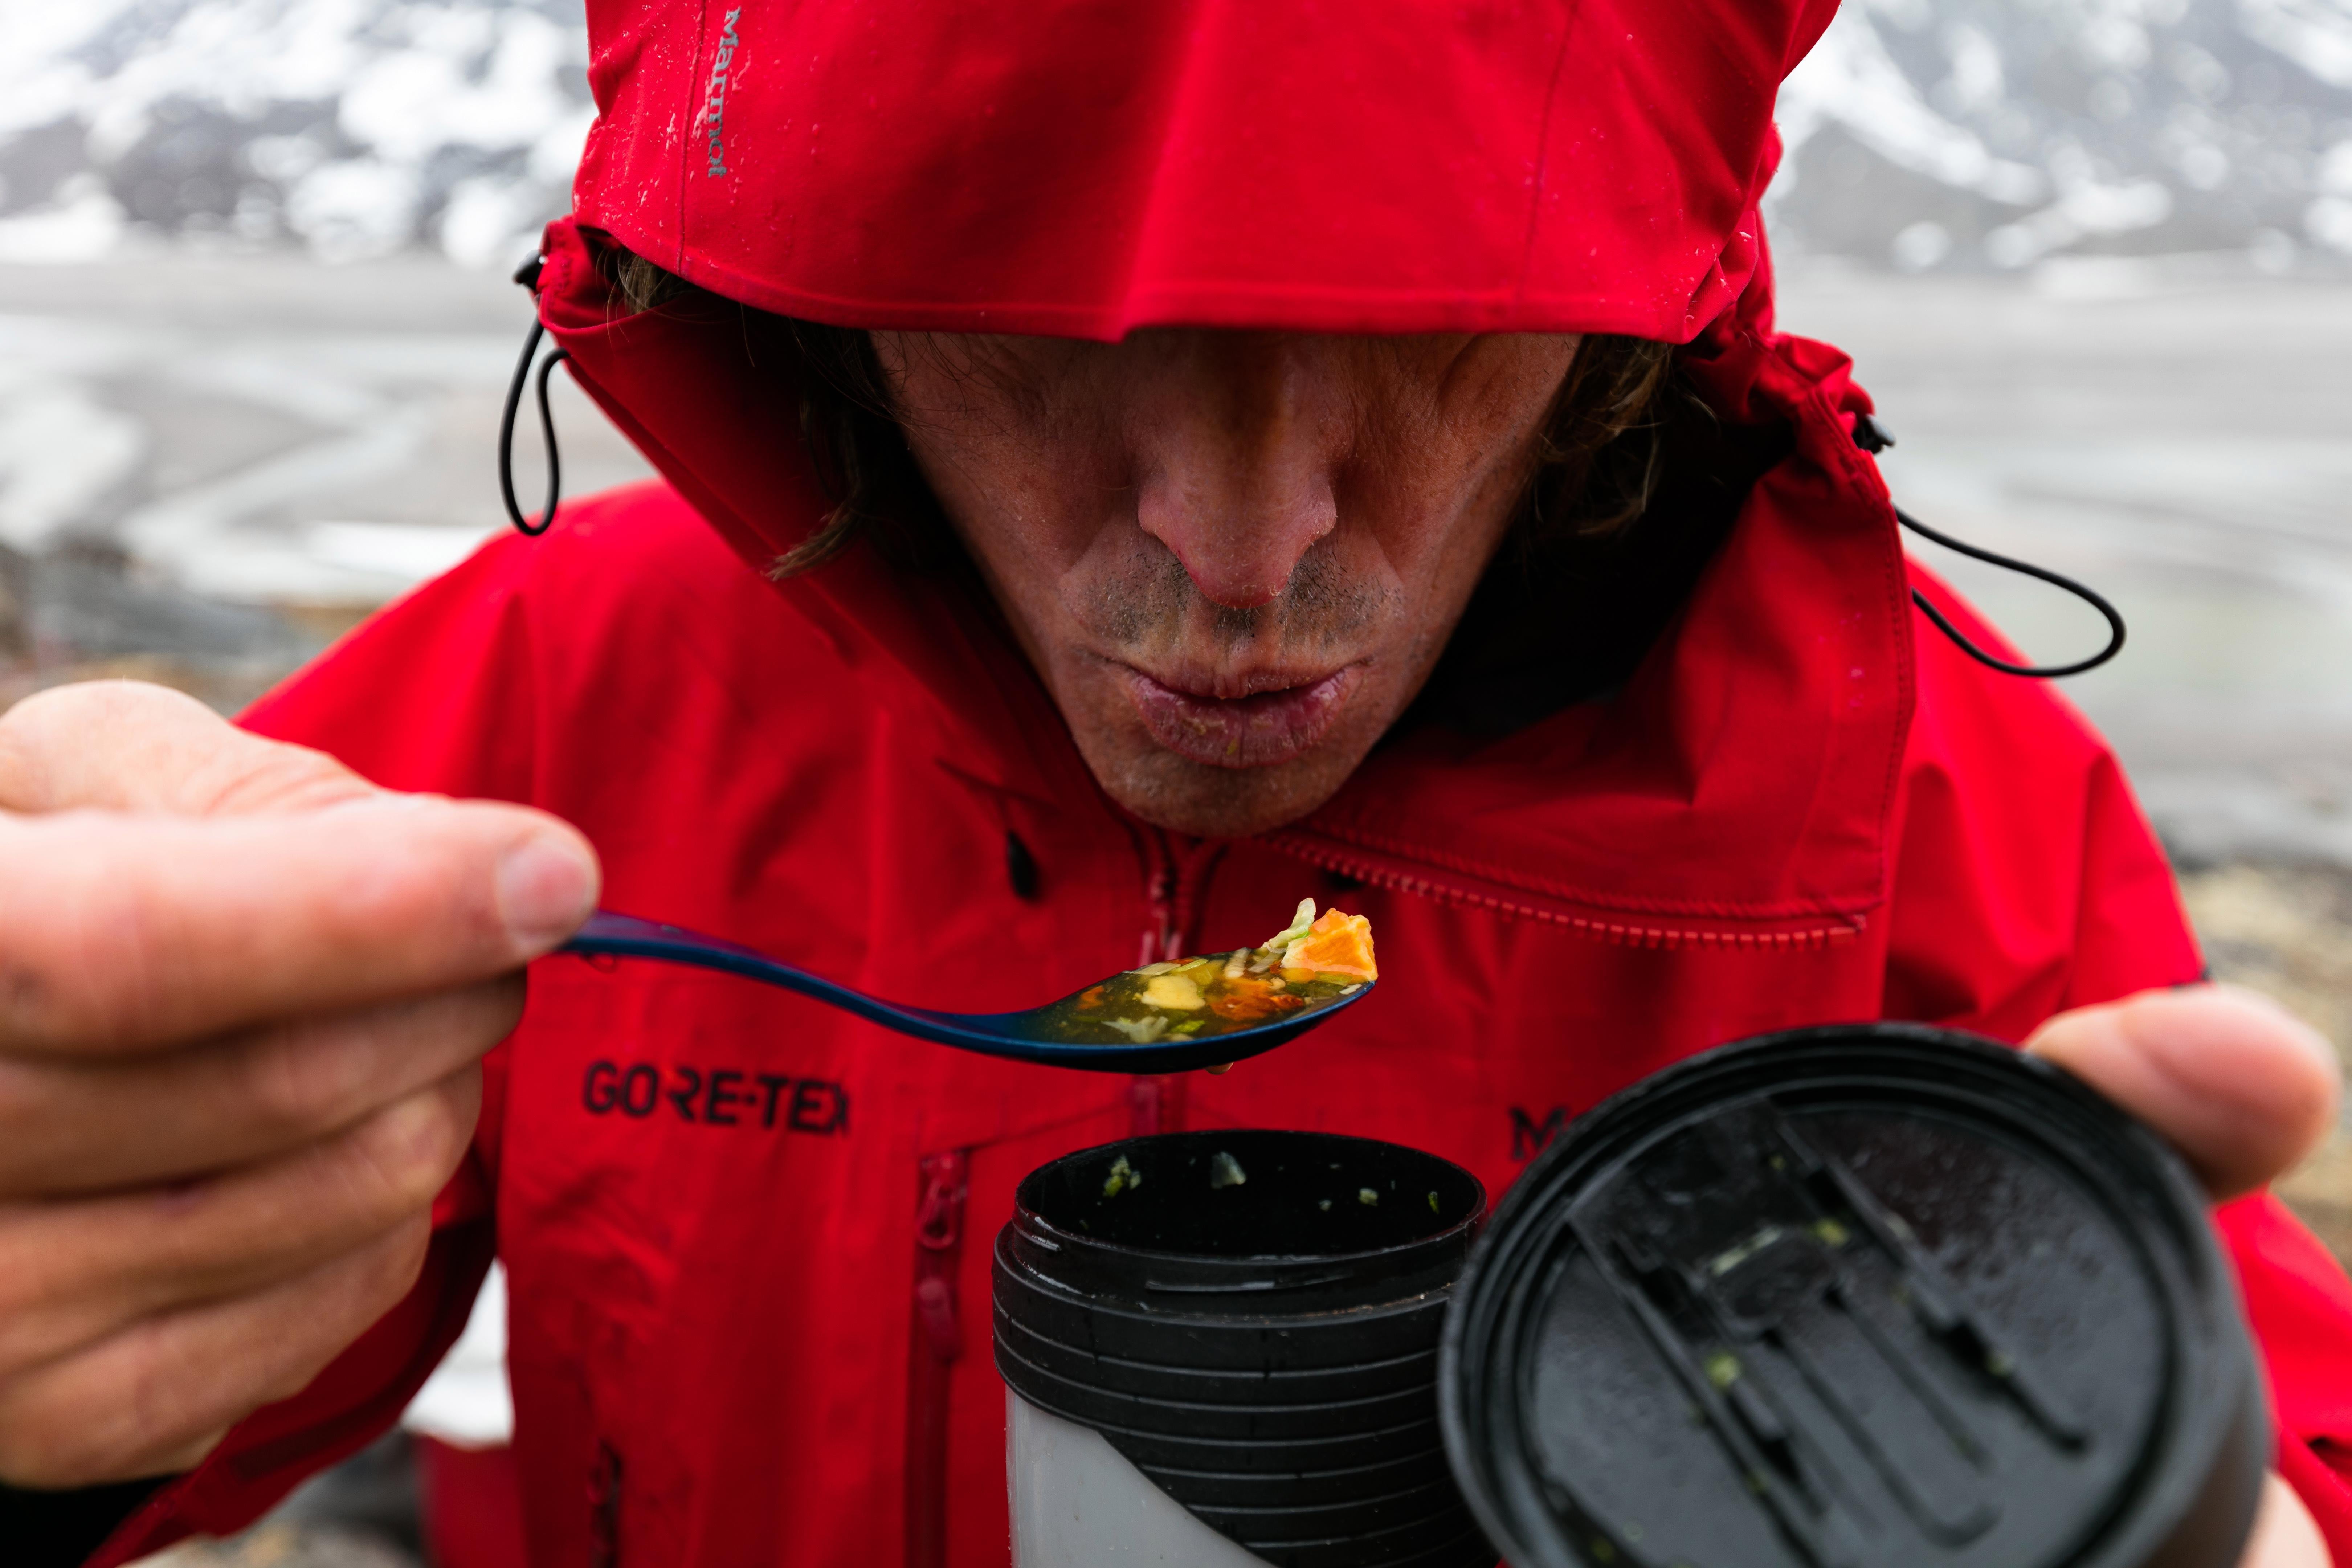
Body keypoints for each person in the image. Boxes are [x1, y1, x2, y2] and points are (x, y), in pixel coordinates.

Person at [4, 2, 2349, 1565]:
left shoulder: (1912, 800)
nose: (1241, 552)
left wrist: (2197, 1500)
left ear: (1625, 313)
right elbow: (115, 1373)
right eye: (1045, 326)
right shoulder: (557, 705)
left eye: (1428, 325)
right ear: (830, 310)